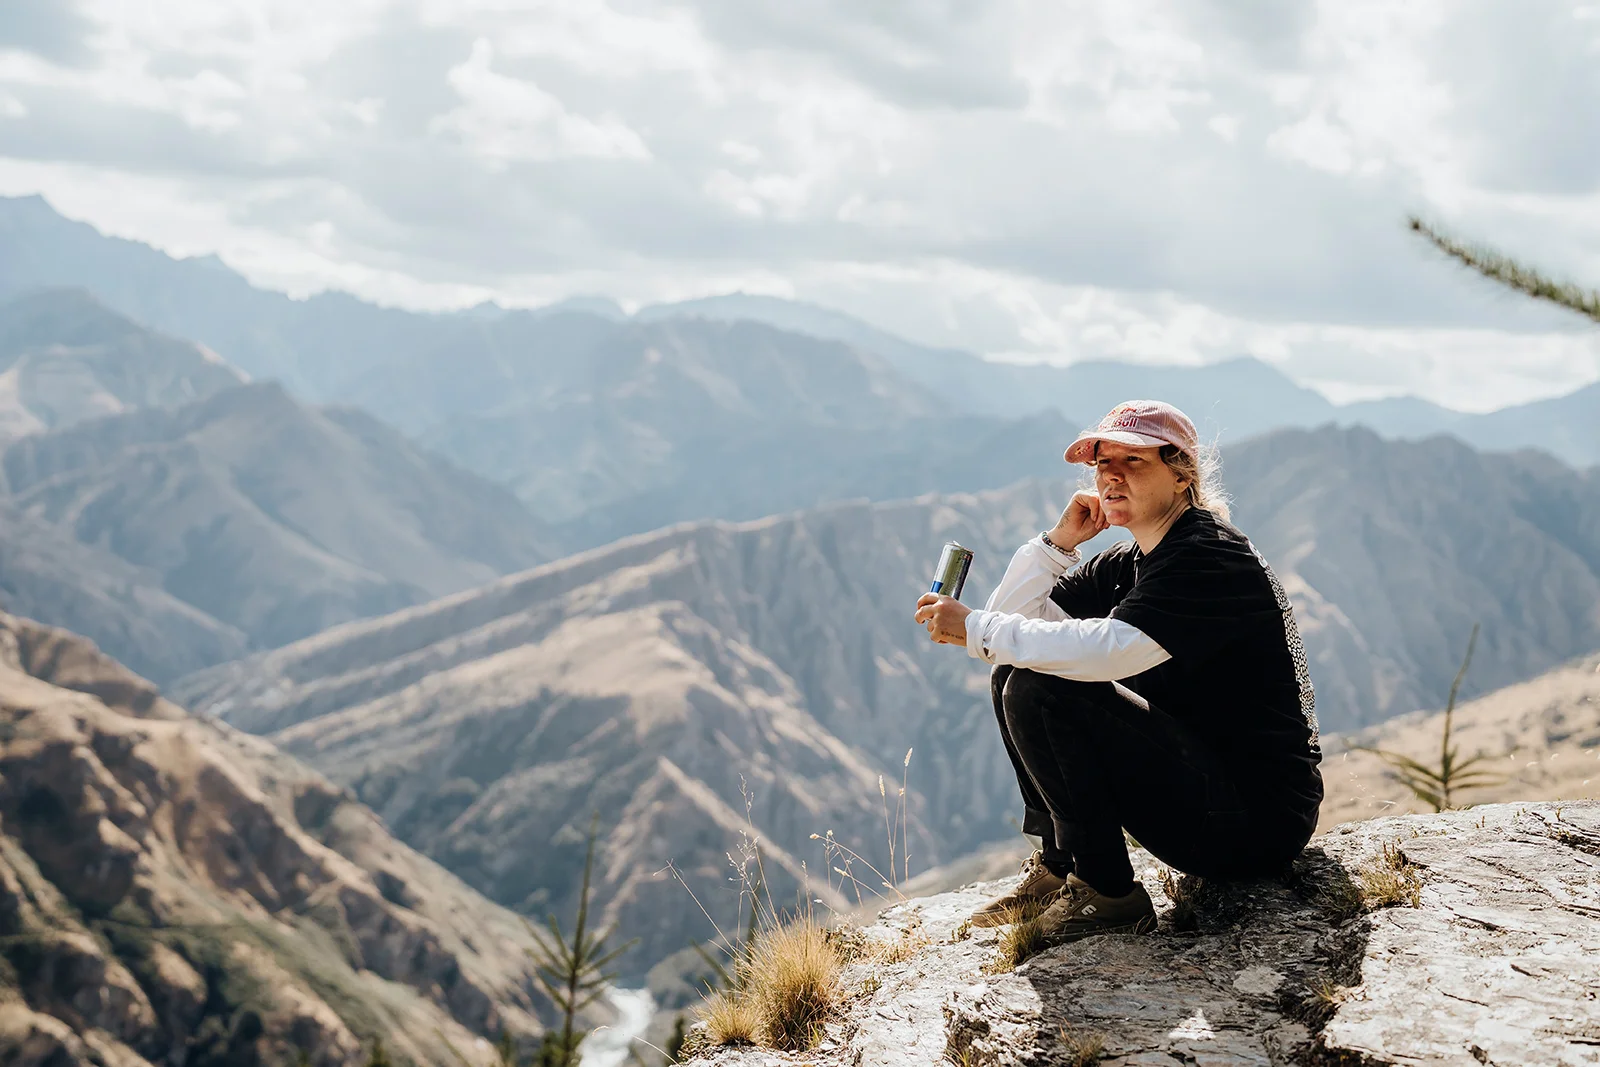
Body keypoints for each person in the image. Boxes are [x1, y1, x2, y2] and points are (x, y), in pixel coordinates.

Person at [913, 399, 1322, 943]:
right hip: (1201, 785)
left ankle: (1109, 894)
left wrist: (978, 630)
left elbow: (1113, 651)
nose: (1111, 475)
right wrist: (1056, 547)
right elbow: (1018, 628)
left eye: (1134, 461)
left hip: (1256, 821)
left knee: (1039, 686)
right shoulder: (1130, 561)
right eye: (1102, 463)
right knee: (1016, 671)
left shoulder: (1211, 558)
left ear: (1182, 477)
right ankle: (1061, 869)